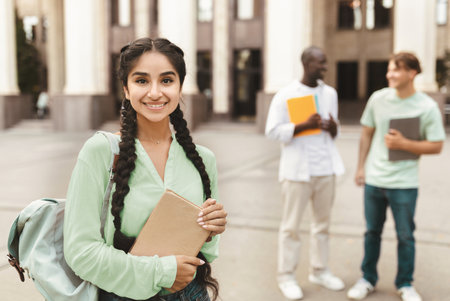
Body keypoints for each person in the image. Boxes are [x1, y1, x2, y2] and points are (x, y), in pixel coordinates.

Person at [63, 37, 227, 301]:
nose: (154, 92)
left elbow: (206, 252)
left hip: (192, 294)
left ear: (180, 87)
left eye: (166, 80)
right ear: (126, 89)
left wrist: (211, 229)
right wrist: (161, 272)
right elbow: (80, 251)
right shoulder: (101, 152)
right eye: (141, 80)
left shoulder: (203, 159)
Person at [347, 52, 445, 301]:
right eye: (389, 69)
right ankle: (367, 278)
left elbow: (436, 146)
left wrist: (405, 143)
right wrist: (361, 167)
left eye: (396, 70)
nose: (390, 74)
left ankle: (405, 284)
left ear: (412, 73)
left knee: (405, 236)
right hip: (375, 180)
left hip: (405, 184)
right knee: (372, 233)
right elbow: (367, 133)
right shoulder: (378, 99)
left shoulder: (426, 106)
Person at [265, 46, 345, 300]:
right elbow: (272, 131)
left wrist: (333, 127)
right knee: (291, 228)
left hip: (326, 169)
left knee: (322, 225)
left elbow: (335, 132)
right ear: (306, 63)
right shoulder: (286, 94)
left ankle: (320, 270)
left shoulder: (330, 93)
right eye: (319, 63)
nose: (324, 67)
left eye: (326, 63)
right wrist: (302, 126)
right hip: (297, 171)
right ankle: (286, 276)